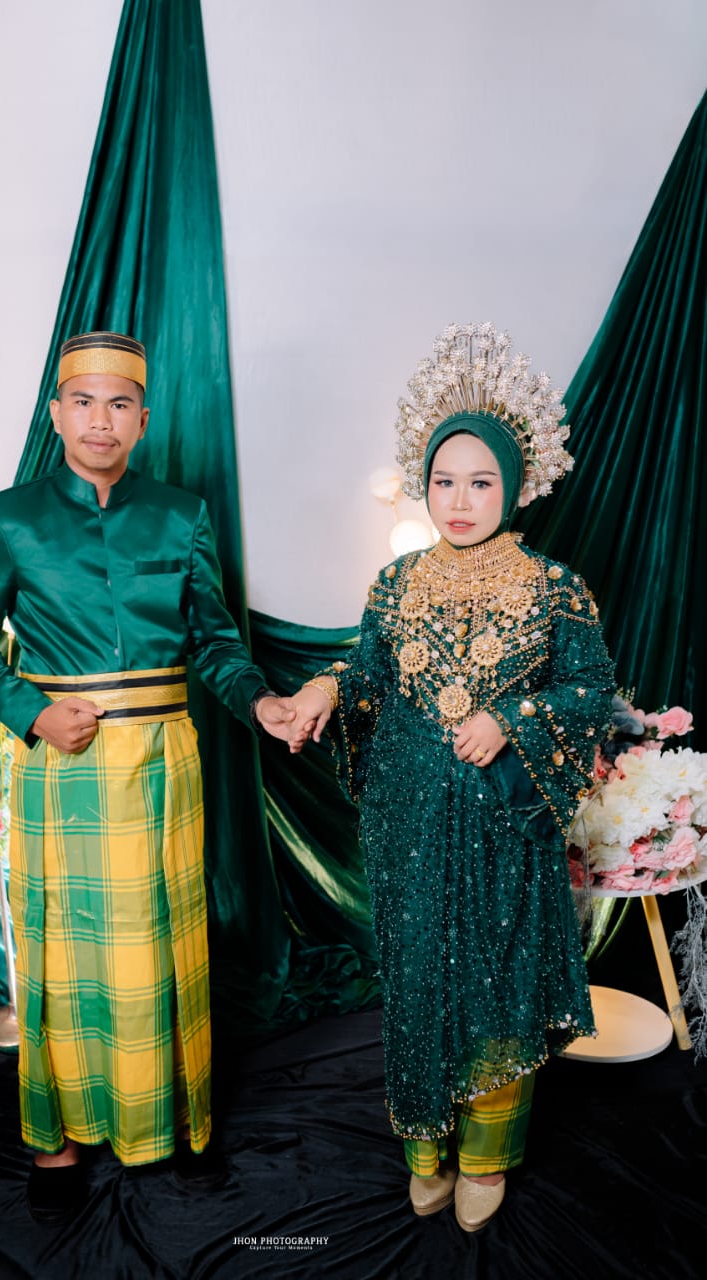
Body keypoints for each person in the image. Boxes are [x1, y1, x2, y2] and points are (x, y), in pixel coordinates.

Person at [0, 331, 301, 1225]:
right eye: (83, 401)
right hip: (58, 766)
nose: (100, 420)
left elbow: (215, 642)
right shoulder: (8, 518)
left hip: (159, 764)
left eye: (119, 404)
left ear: (144, 419)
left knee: (162, 944)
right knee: (61, 949)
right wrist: (31, 711)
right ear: (56, 412)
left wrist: (259, 701)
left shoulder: (181, 515)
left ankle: (176, 1122)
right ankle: (56, 1140)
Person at [288, 323, 615, 1232]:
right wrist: (322, 689)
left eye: (480, 482)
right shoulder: (394, 585)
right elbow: (367, 677)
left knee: (498, 977)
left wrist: (511, 719)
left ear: (515, 485)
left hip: (506, 824)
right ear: (423, 483)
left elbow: (591, 691)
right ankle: (423, 1147)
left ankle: (485, 1156)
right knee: (422, 975)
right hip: (411, 821)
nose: (460, 500)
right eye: (444, 481)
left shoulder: (554, 587)